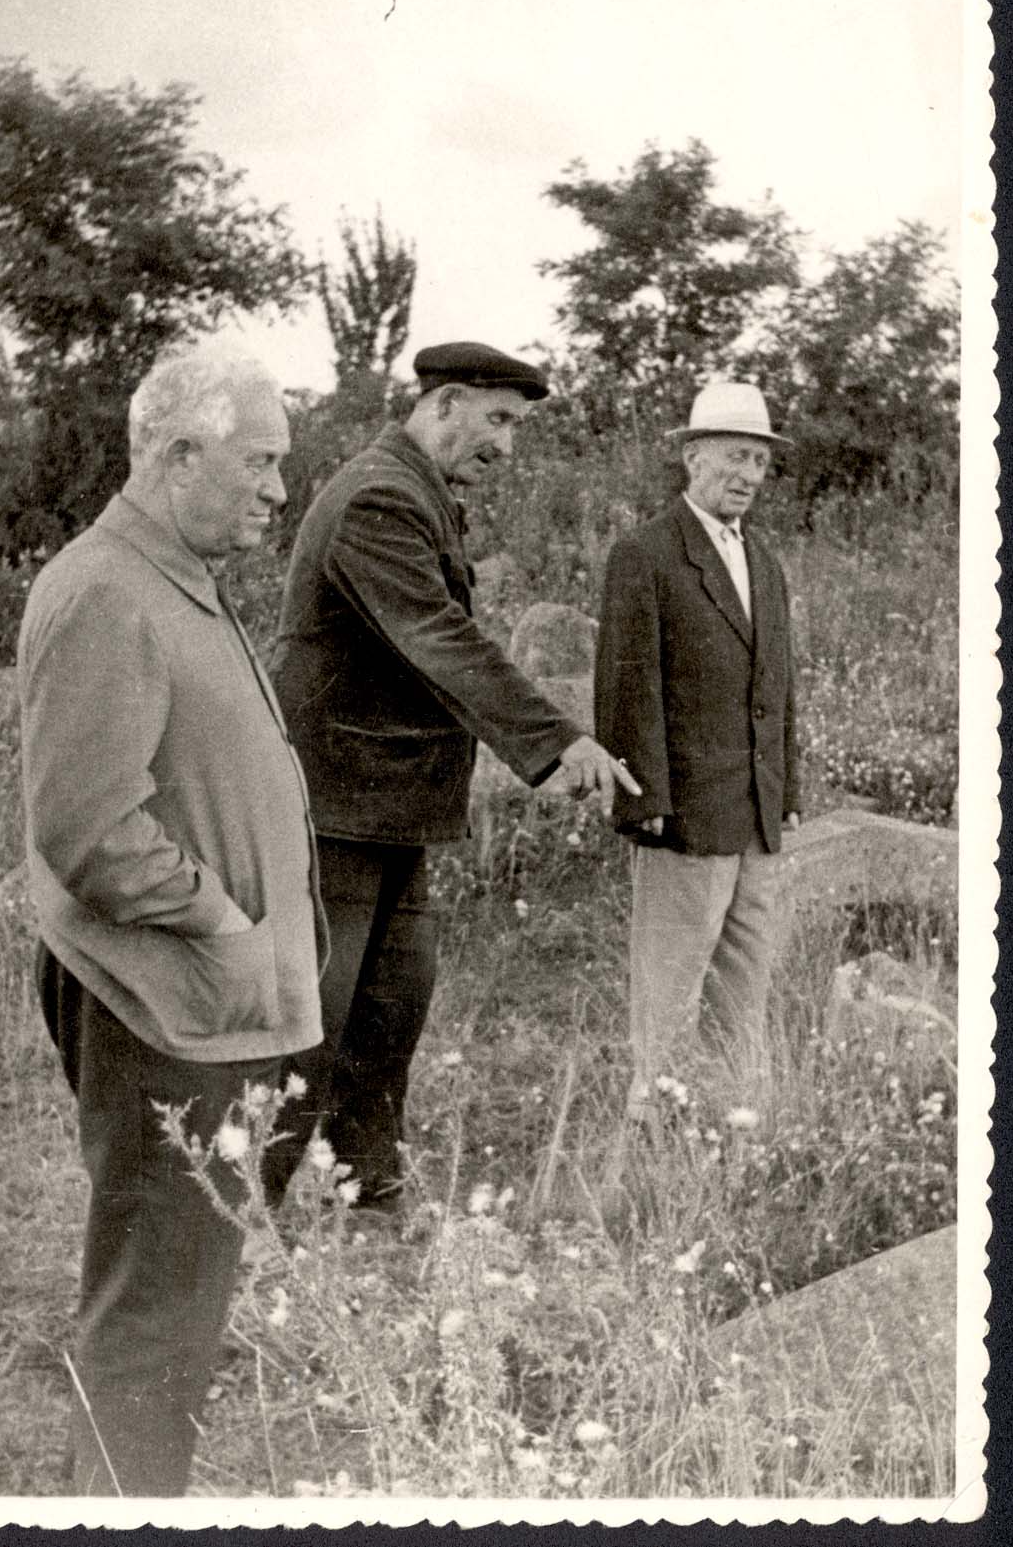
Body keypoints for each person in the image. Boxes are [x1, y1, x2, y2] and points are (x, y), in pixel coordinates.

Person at [19, 342, 325, 1497]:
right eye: (259, 461)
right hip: (165, 1008)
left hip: (200, 1008)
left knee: (177, 1308)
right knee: (154, 1315)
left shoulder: (167, 576)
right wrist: (224, 924)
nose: (277, 490)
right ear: (176, 451)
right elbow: (90, 827)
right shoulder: (105, 588)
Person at [265, 340, 638, 1210]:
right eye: (497, 420)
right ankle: (242, 1213)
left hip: (390, 804)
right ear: (442, 404)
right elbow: (436, 637)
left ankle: (371, 1189)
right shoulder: (380, 499)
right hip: (338, 803)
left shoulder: (415, 490)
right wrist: (555, 742)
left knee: (390, 1005)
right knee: (310, 1020)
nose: (506, 446)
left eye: (515, 425)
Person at [594, 382, 802, 1130]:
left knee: (743, 987)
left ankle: (729, 1128)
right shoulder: (645, 553)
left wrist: (786, 788)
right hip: (683, 815)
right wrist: (642, 798)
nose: (746, 473)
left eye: (758, 459)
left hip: (756, 817)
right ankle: (648, 1129)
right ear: (691, 457)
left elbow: (778, 685)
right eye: (733, 455)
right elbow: (626, 682)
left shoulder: (765, 561)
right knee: (671, 986)